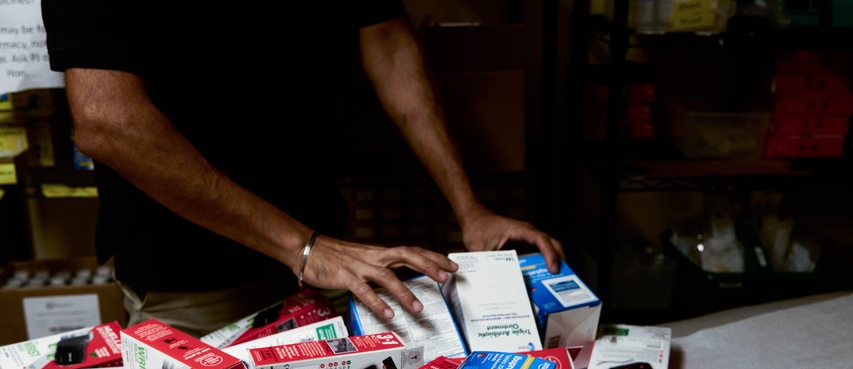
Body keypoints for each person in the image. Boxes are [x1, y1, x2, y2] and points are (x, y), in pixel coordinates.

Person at [41, 1, 564, 336]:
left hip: (327, 254)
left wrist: (469, 209)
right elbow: (107, 121)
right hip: (193, 274)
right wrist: (302, 247)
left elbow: (386, 38)